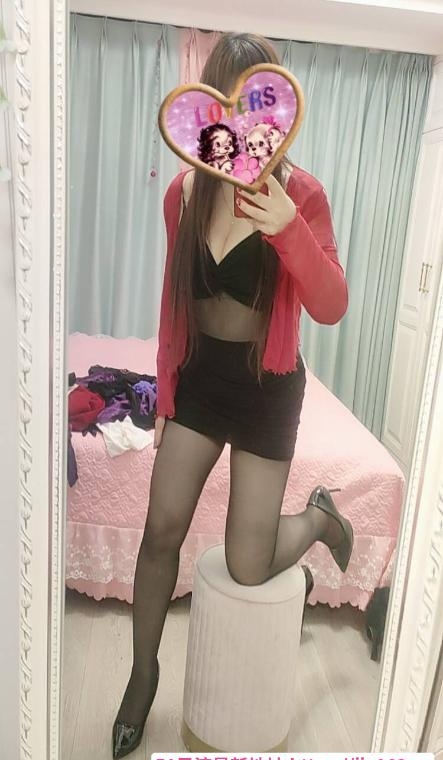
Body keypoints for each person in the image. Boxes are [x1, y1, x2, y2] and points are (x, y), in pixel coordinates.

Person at [112, 31, 353, 759]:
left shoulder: (301, 193)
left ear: (278, 111)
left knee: (249, 563)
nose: (245, 121)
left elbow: (332, 306)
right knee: (160, 528)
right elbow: (173, 304)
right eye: (231, 103)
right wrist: (165, 393)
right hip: (202, 380)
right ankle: (142, 676)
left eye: (260, 105)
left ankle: (318, 518)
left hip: (267, 388)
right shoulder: (184, 190)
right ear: (208, 107)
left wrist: (287, 230)